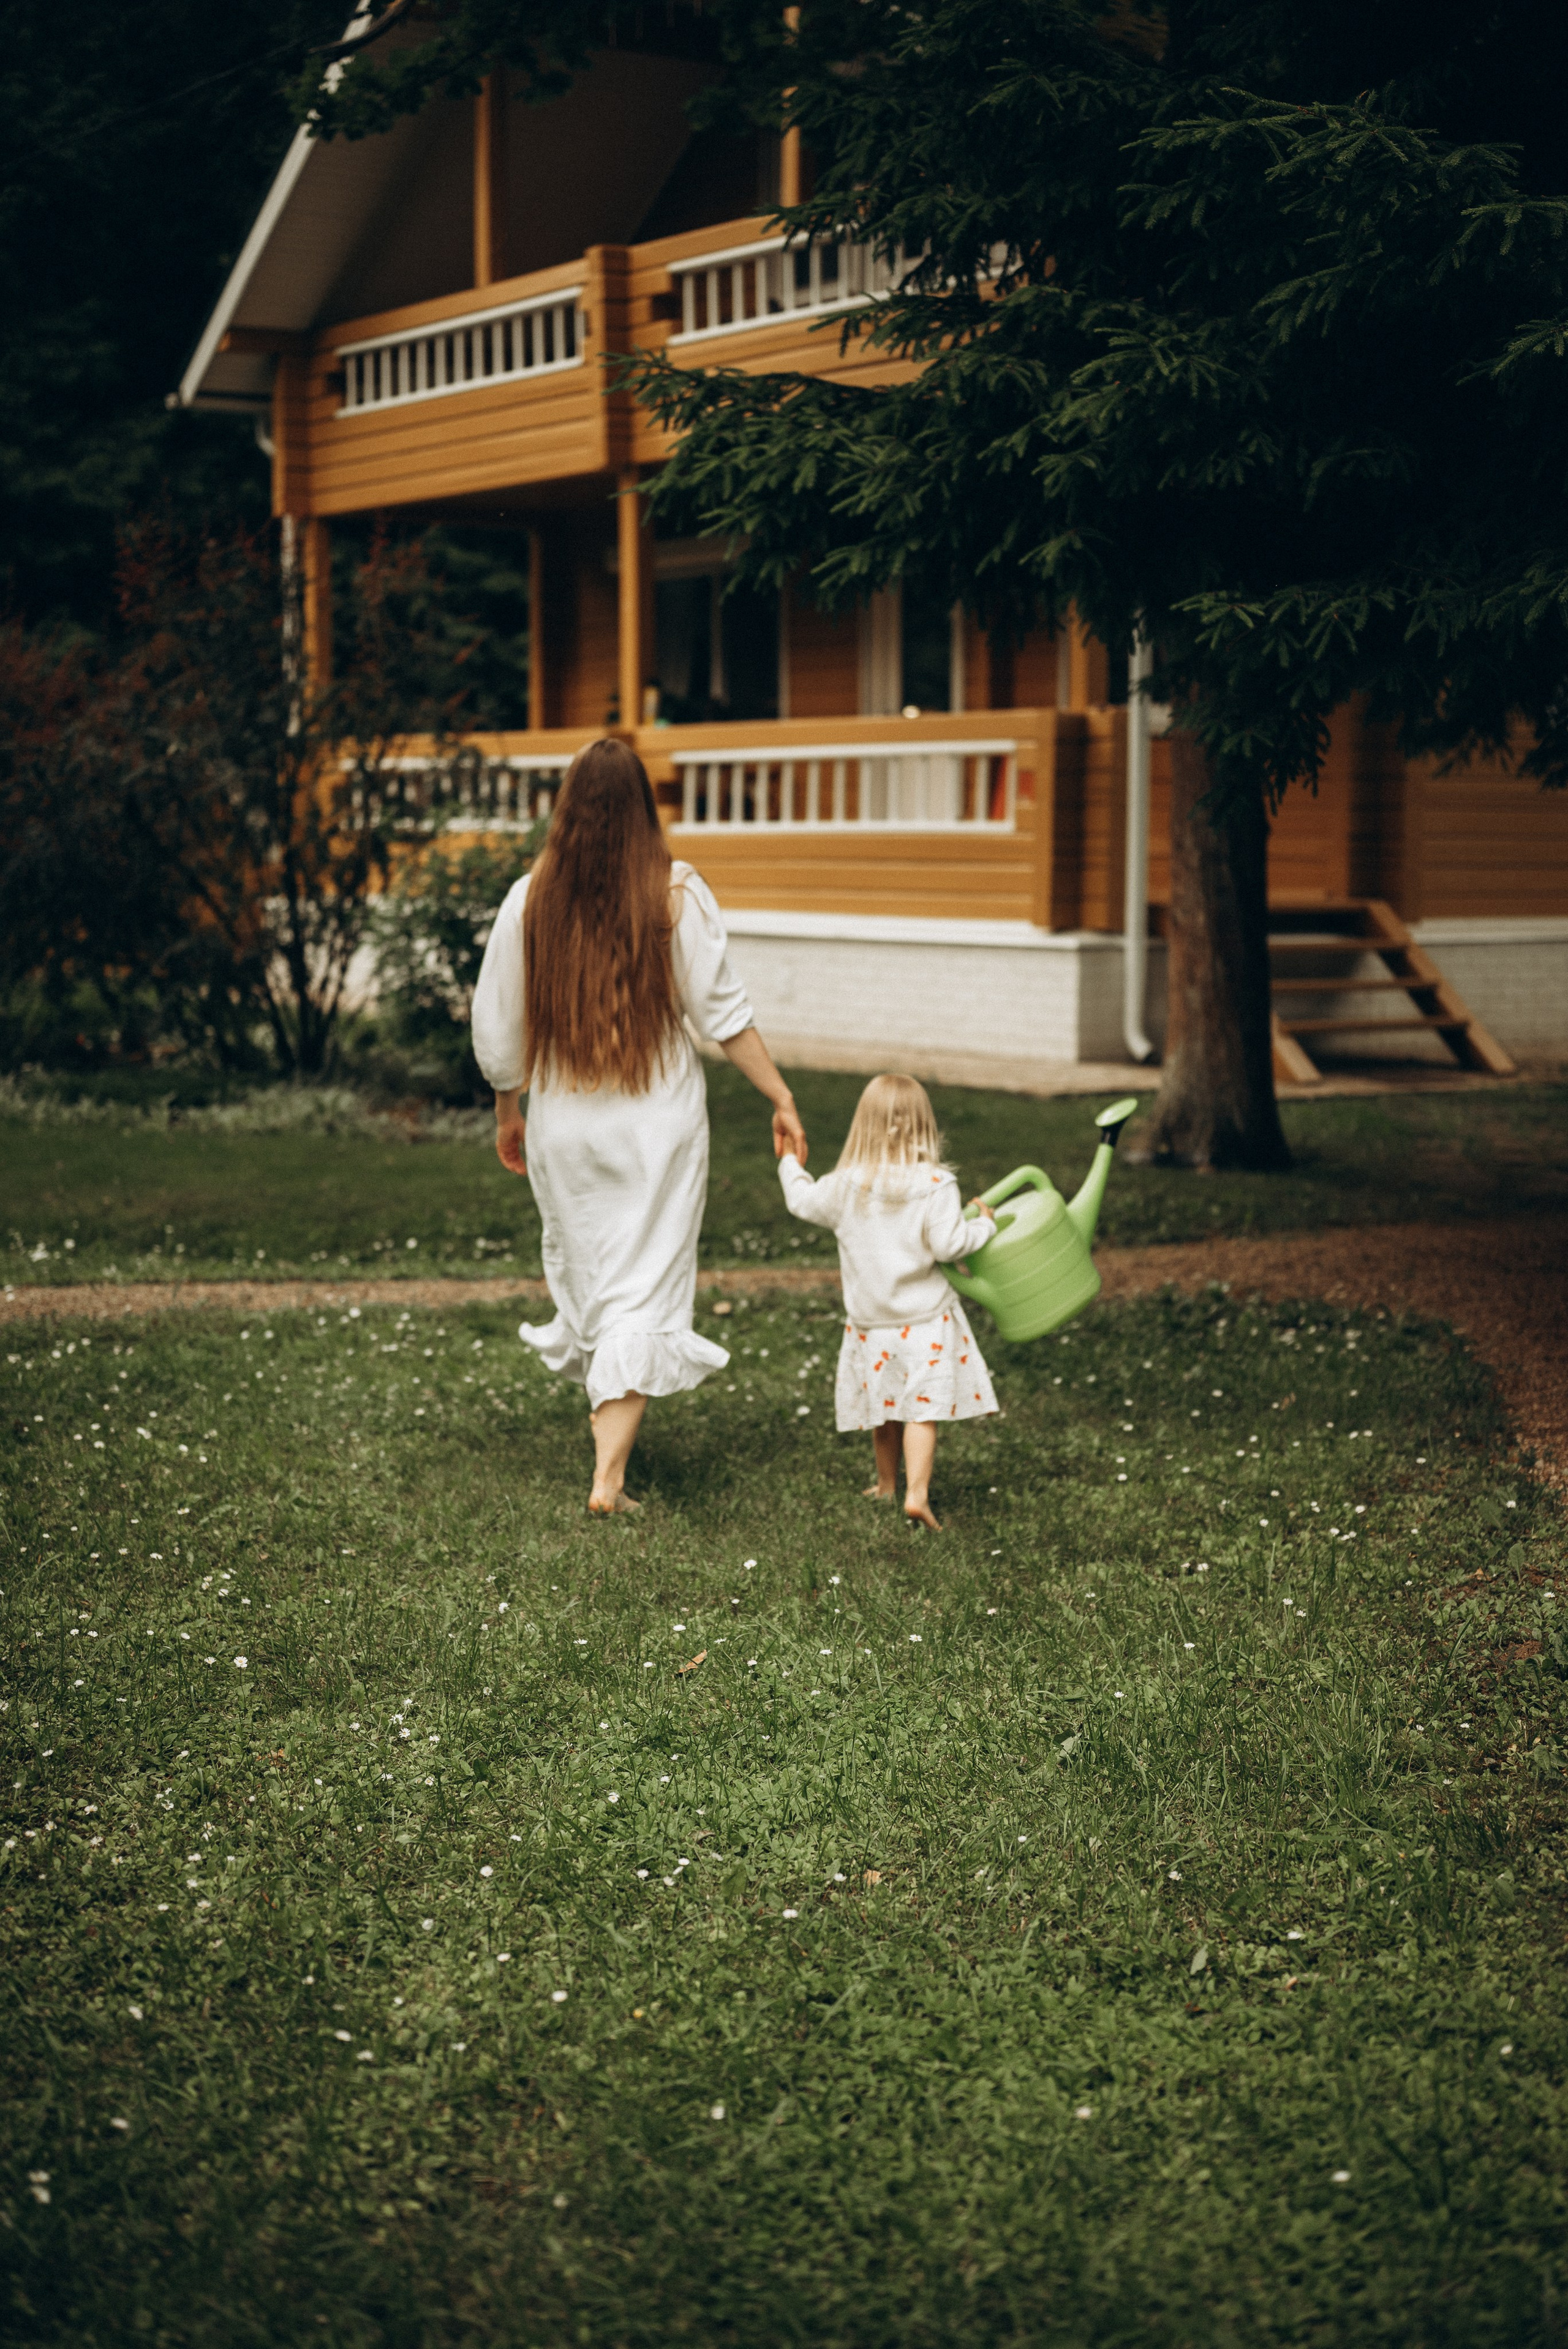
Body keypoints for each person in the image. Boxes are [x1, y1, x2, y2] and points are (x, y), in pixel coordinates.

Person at [470, 738, 806, 1514]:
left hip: (564, 1119)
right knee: (643, 1282)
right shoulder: (675, 892)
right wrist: (778, 1094)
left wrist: (508, 1108)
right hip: (656, 1122)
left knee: (595, 1275)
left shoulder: (530, 898)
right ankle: (608, 1478)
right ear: (644, 809)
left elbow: (499, 1025)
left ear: (567, 807)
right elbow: (724, 1015)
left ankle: (608, 1449)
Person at [777, 1073, 997, 1531]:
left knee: (886, 1405)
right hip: (927, 1322)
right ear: (924, 1125)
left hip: (872, 1324)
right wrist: (986, 1225)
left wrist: (787, 1161)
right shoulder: (937, 1184)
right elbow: (951, 1244)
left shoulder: (843, 1185)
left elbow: (800, 1200)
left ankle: (885, 1484)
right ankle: (916, 1494)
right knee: (922, 1411)